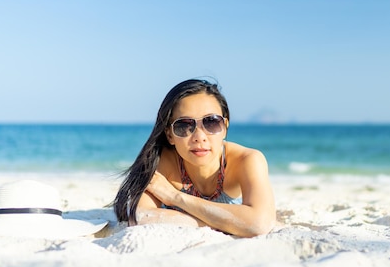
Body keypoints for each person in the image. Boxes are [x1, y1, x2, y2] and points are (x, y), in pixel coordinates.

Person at [114, 78, 275, 237]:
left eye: (211, 122)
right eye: (184, 125)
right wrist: (229, 224)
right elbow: (141, 217)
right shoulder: (163, 161)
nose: (199, 137)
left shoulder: (247, 160)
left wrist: (175, 197)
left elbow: (259, 223)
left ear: (224, 128)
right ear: (170, 135)